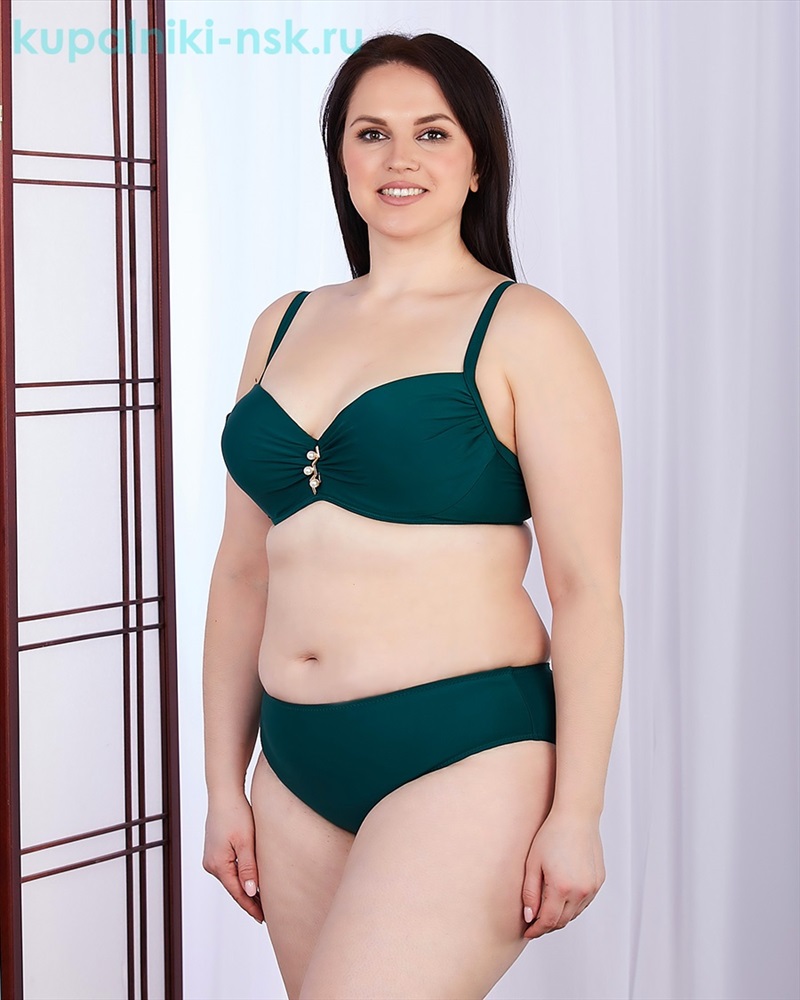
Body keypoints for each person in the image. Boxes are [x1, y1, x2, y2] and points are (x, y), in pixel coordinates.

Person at [202, 30, 624, 1000]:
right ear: (340, 158)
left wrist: (577, 813)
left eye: (431, 133)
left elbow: (585, 590)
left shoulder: (524, 328)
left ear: (477, 162)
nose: (399, 158)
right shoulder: (281, 323)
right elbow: (241, 572)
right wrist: (224, 785)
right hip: (292, 766)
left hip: (464, 751)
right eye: (371, 133)